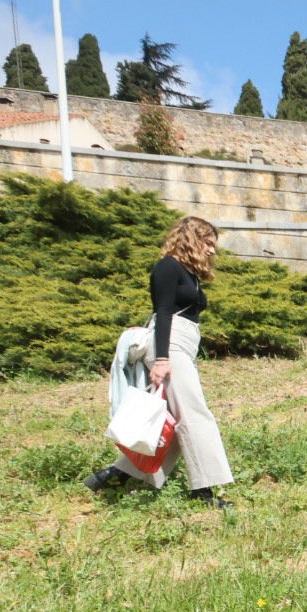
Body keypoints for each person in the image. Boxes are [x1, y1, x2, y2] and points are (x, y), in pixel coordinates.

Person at [83, 216, 235, 508]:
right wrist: (163, 359)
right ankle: (204, 491)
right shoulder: (168, 267)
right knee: (195, 416)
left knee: (175, 425)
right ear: (191, 239)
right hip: (171, 347)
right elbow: (163, 313)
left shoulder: (188, 273)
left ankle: (113, 477)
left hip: (182, 347)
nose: (212, 251)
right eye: (208, 243)